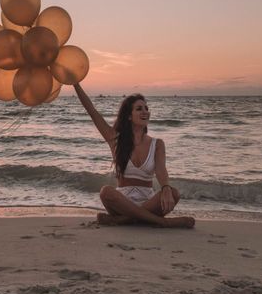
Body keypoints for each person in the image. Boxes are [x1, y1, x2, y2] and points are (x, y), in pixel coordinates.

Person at [74, 84, 195, 228]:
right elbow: (92, 111)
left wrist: (166, 188)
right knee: (105, 191)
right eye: (139, 109)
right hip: (122, 202)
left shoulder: (157, 144)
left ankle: (122, 220)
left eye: (146, 108)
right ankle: (161, 222)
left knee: (174, 193)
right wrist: (75, 83)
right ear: (129, 116)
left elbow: (161, 170)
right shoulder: (115, 139)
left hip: (148, 201)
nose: (145, 112)